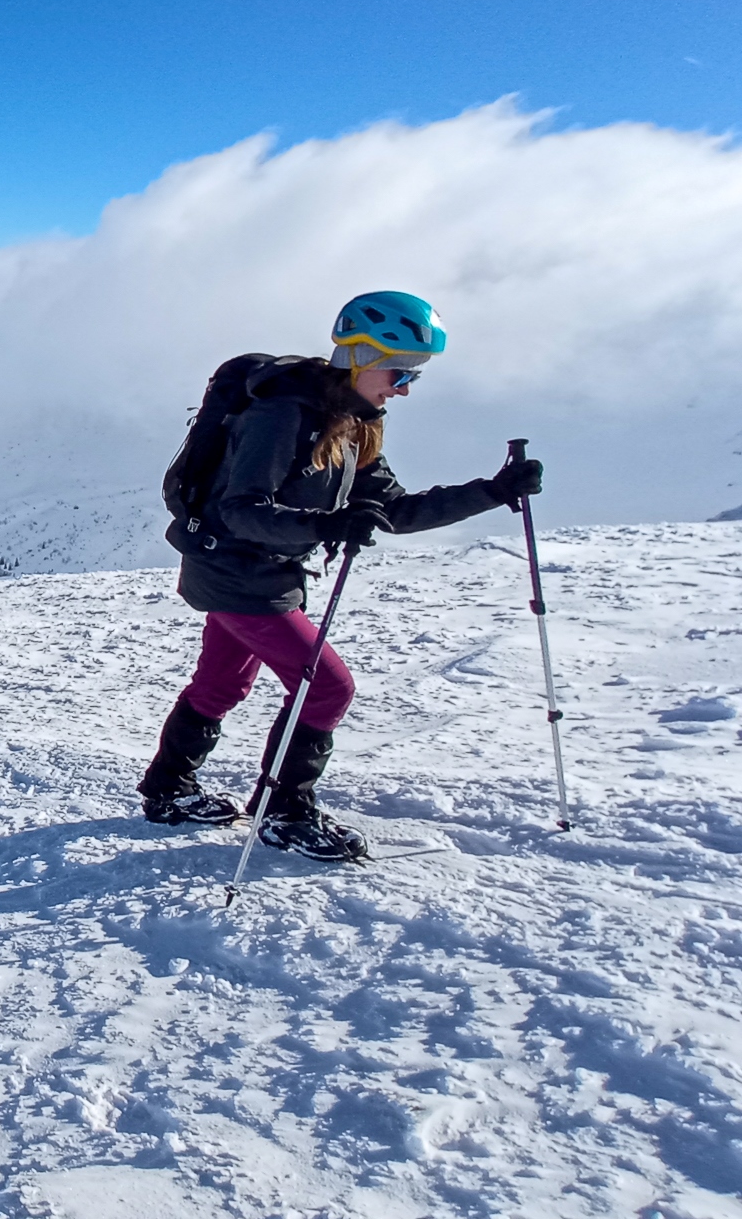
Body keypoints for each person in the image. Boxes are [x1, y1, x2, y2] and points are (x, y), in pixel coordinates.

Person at [141, 291, 545, 860]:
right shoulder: (282, 415)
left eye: (415, 376)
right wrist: (327, 524)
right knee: (328, 686)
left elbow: (394, 511)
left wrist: (493, 492)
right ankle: (282, 813)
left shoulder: (353, 424)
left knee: (223, 682)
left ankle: (167, 789)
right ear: (358, 355)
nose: (403, 387)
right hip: (235, 572)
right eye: (399, 371)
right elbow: (241, 508)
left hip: (261, 572)